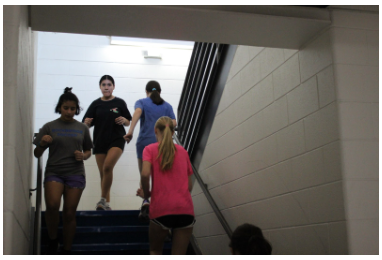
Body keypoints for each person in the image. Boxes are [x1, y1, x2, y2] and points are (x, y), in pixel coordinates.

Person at [33, 87, 93, 254]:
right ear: (59, 107)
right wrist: (43, 144)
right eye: (66, 108)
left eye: (72, 109)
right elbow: (37, 153)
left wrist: (83, 155)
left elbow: (89, 151)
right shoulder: (49, 126)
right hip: (54, 171)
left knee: (69, 212)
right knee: (52, 205)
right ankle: (53, 240)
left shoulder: (82, 128)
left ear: (77, 109)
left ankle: (67, 249)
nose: (69, 111)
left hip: (75, 173)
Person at [139, 116, 195, 255]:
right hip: (185, 209)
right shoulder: (183, 152)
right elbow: (189, 186)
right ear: (173, 132)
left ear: (155, 130)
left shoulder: (149, 149)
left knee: (155, 250)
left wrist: (147, 195)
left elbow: (145, 174)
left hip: (161, 209)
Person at [124, 81, 176, 220]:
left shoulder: (142, 102)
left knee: (144, 173)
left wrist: (130, 131)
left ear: (146, 91)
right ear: (160, 91)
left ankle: (146, 201)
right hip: (162, 144)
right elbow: (174, 122)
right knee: (162, 174)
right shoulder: (167, 106)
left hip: (144, 143)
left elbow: (138, 112)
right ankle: (162, 205)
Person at [82, 75, 132, 210]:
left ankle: (102, 200)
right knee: (103, 173)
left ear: (113, 87)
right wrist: (86, 124)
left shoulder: (120, 102)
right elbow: (85, 124)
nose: (106, 87)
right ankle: (106, 204)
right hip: (99, 141)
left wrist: (124, 121)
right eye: (103, 84)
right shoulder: (95, 104)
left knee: (108, 167)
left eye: (109, 84)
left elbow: (128, 120)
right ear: (100, 87)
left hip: (117, 139)